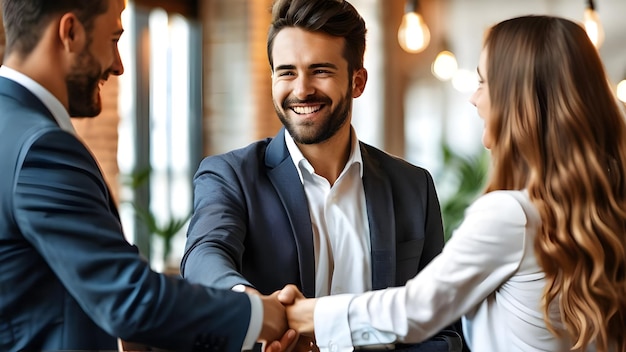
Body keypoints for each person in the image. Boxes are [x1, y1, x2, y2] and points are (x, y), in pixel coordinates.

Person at [277, 14, 626, 352]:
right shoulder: (607, 198)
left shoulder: (511, 214)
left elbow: (415, 310)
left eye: (483, 82)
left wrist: (302, 314)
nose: (474, 98)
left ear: (519, 100)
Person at [0, 0, 296, 351]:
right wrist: (260, 315)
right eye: (113, 39)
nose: (119, 65)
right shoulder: (41, 148)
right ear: (70, 33)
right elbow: (128, 298)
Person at [180, 0, 461, 351]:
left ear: (357, 82)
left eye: (320, 71)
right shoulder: (230, 175)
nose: (301, 90)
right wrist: (250, 306)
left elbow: (443, 327)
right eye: (286, 72)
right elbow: (205, 254)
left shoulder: (413, 187)